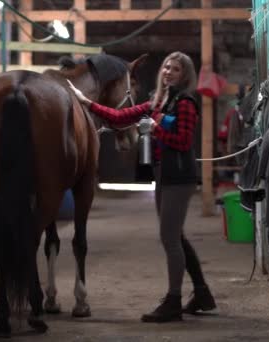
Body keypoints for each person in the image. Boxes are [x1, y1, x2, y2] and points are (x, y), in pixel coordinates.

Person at [68, 51, 216, 322]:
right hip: (164, 175)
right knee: (176, 237)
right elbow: (119, 115)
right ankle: (202, 292)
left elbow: (183, 142)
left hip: (179, 177)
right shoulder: (158, 102)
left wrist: (155, 128)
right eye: (166, 67)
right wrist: (86, 102)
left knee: (170, 239)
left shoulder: (185, 103)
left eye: (176, 69)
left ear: (185, 76)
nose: (169, 72)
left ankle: (173, 301)